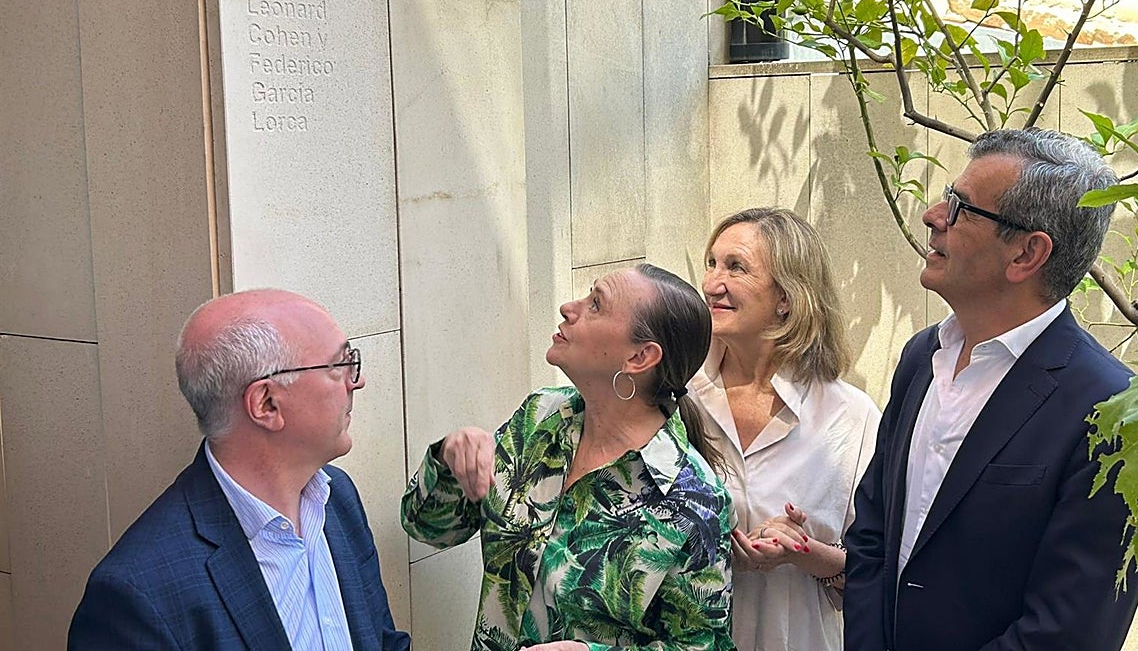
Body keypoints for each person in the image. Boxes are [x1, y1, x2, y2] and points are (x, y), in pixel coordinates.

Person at [843, 128, 1138, 651]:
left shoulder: (1112, 411)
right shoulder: (922, 358)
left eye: (960, 207)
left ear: (1027, 254)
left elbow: (1070, 631)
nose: (932, 215)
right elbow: (872, 535)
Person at [401, 264, 735, 651]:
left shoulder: (694, 502)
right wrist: (449, 461)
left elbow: (702, 645)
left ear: (640, 357)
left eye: (595, 305)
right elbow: (428, 528)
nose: (568, 308)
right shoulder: (540, 418)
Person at [69, 289, 410, 651]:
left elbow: (384, 642)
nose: (355, 381)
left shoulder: (337, 498)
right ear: (266, 404)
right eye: (338, 365)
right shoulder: (138, 595)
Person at [690, 207, 881, 650]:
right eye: (712, 264)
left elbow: (878, 577)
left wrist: (806, 553)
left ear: (787, 297)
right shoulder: (677, 399)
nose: (711, 283)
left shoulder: (850, 418)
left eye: (735, 267)